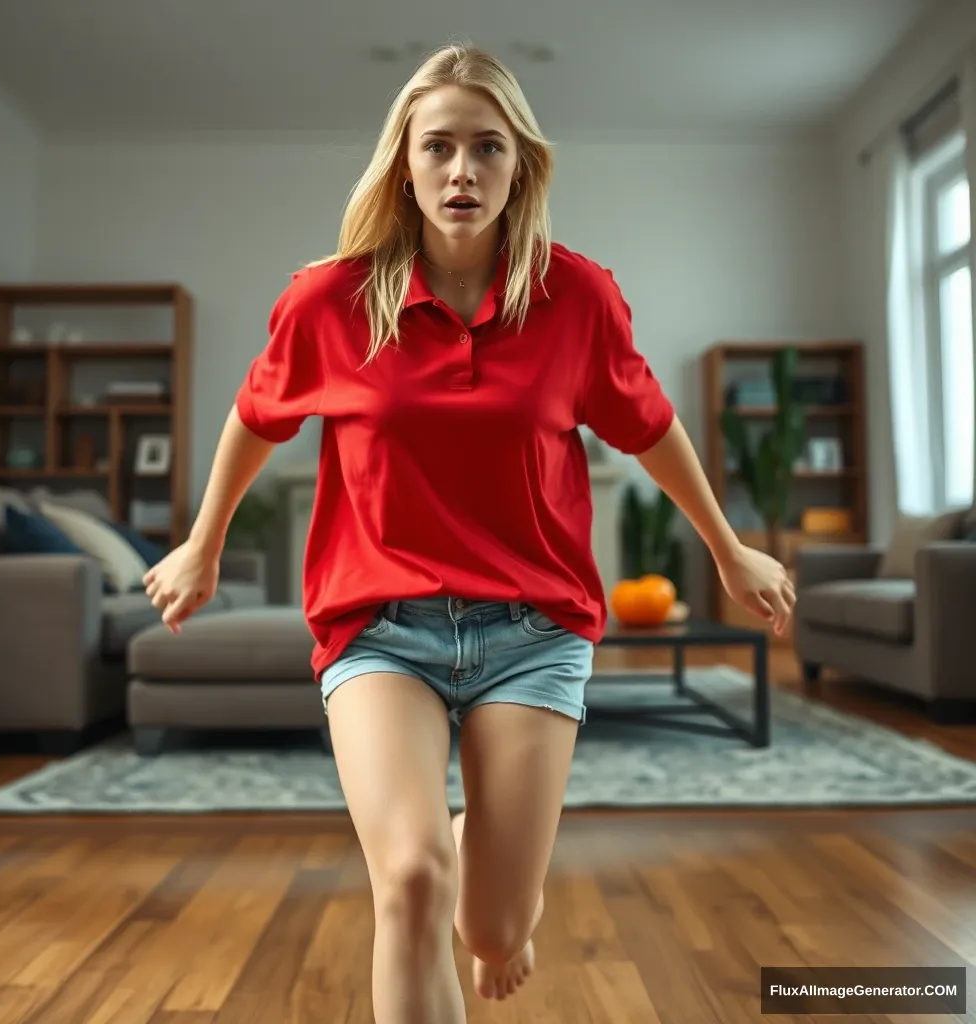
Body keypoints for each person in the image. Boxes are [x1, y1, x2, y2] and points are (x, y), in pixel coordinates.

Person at [142, 43, 796, 1023]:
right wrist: (203, 542)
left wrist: (725, 545)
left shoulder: (575, 296)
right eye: (438, 146)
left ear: (520, 165)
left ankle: (490, 886)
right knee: (408, 882)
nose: (461, 171)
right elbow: (256, 414)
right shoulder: (330, 299)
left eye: (487, 148)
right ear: (402, 163)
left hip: (531, 633)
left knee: (491, 928)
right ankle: (441, 845)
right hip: (379, 627)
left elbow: (650, 427)